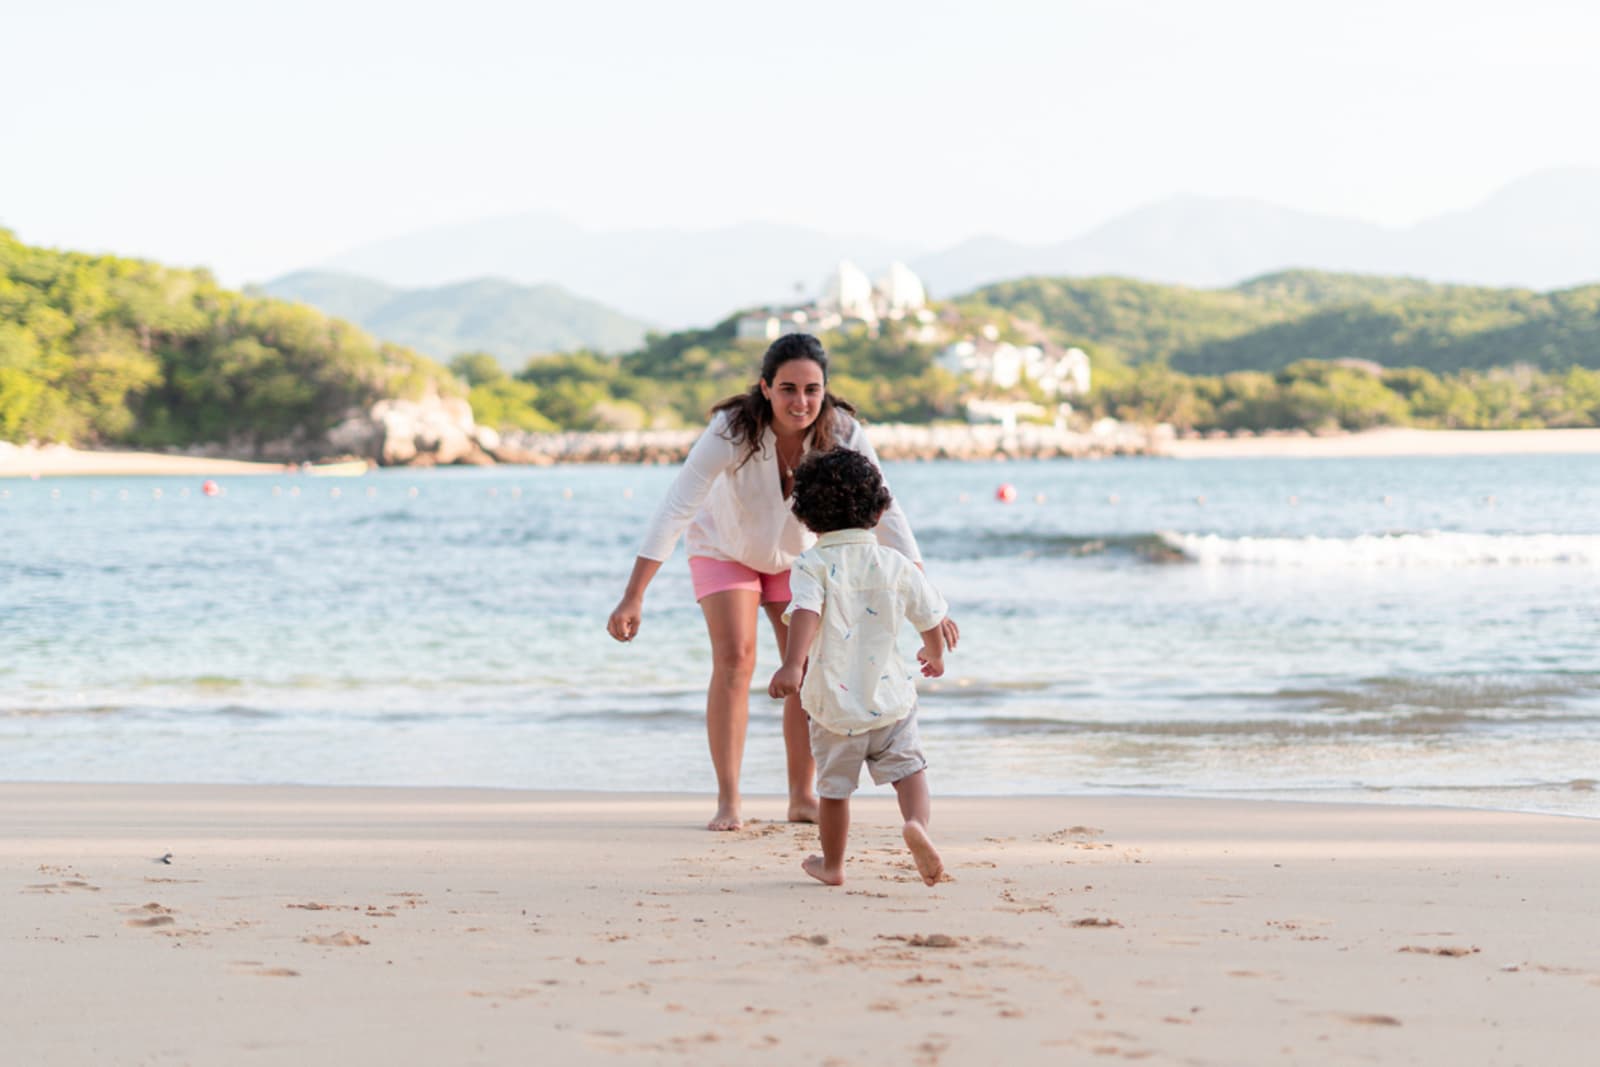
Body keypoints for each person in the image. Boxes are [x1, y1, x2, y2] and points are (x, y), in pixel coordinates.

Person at [606, 333, 957, 832]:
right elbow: (678, 503)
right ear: (766, 388)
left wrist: (930, 601)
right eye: (788, 388)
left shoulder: (841, 429)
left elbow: (887, 512)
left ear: (825, 390)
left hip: (799, 559)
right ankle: (729, 800)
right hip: (723, 547)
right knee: (735, 659)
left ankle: (802, 797)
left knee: (807, 669)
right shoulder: (730, 429)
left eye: (812, 389)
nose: (801, 401)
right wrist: (633, 594)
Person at [768, 447, 949, 887]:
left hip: (833, 706)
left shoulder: (812, 564)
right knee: (910, 772)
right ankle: (917, 826)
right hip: (891, 700)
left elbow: (807, 612)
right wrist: (936, 654)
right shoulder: (895, 562)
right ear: (880, 509)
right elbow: (930, 615)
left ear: (806, 516)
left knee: (833, 792)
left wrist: (793, 665)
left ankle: (832, 866)